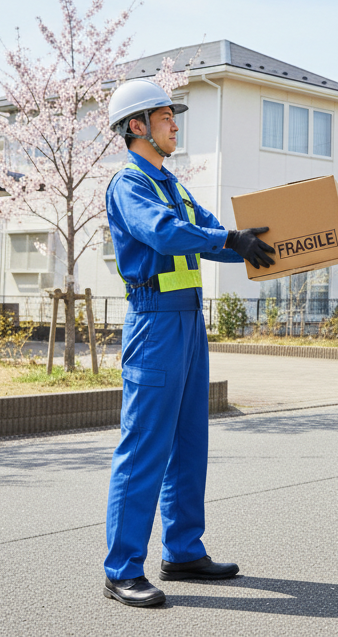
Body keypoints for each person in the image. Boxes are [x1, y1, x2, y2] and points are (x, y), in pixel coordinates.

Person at [100, 79, 276, 607]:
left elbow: (207, 232)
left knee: (189, 442)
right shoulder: (130, 184)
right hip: (153, 323)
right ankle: (122, 569)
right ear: (138, 125)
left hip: (186, 322)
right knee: (144, 446)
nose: (176, 124)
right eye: (166, 116)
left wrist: (251, 246)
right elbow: (164, 233)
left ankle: (182, 552)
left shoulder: (170, 184)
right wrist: (228, 240)